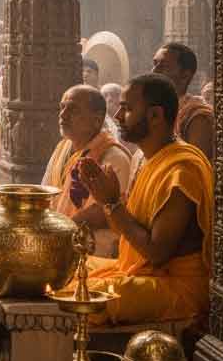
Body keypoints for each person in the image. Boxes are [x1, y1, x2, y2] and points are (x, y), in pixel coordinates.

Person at [74, 74, 212, 325]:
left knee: (83, 295)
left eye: (126, 109)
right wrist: (107, 199)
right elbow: (129, 230)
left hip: (176, 287)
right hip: (142, 273)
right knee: (69, 268)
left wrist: (113, 204)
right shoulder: (147, 159)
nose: (116, 117)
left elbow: (157, 252)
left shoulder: (182, 170)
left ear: (155, 116)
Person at [42, 86, 131, 257]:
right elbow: (46, 194)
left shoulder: (113, 157)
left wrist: (59, 231)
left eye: (73, 109)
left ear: (97, 120)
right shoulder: (62, 149)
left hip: (94, 252)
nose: (63, 115)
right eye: (62, 107)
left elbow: (104, 212)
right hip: (59, 242)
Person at [151, 42, 213, 162]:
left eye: (163, 66)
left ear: (185, 75)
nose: (154, 71)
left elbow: (192, 167)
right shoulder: (153, 108)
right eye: (154, 64)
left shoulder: (198, 117)